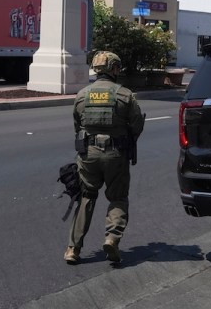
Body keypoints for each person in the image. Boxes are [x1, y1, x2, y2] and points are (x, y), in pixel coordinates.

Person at [64, 51, 145, 265]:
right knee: (117, 197)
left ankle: (73, 248)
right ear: (114, 69)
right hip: (115, 154)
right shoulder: (125, 95)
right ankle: (112, 238)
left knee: (86, 197)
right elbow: (136, 125)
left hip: (88, 154)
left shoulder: (82, 95)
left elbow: (76, 125)